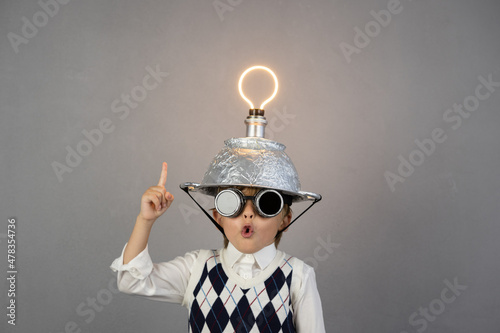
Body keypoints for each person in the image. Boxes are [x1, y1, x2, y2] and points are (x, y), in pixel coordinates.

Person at [110, 162, 326, 332]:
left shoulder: (297, 276)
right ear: (218, 217)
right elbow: (132, 282)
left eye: (266, 204)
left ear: (285, 220)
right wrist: (145, 220)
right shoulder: (198, 268)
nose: (248, 213)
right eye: (233, 203)